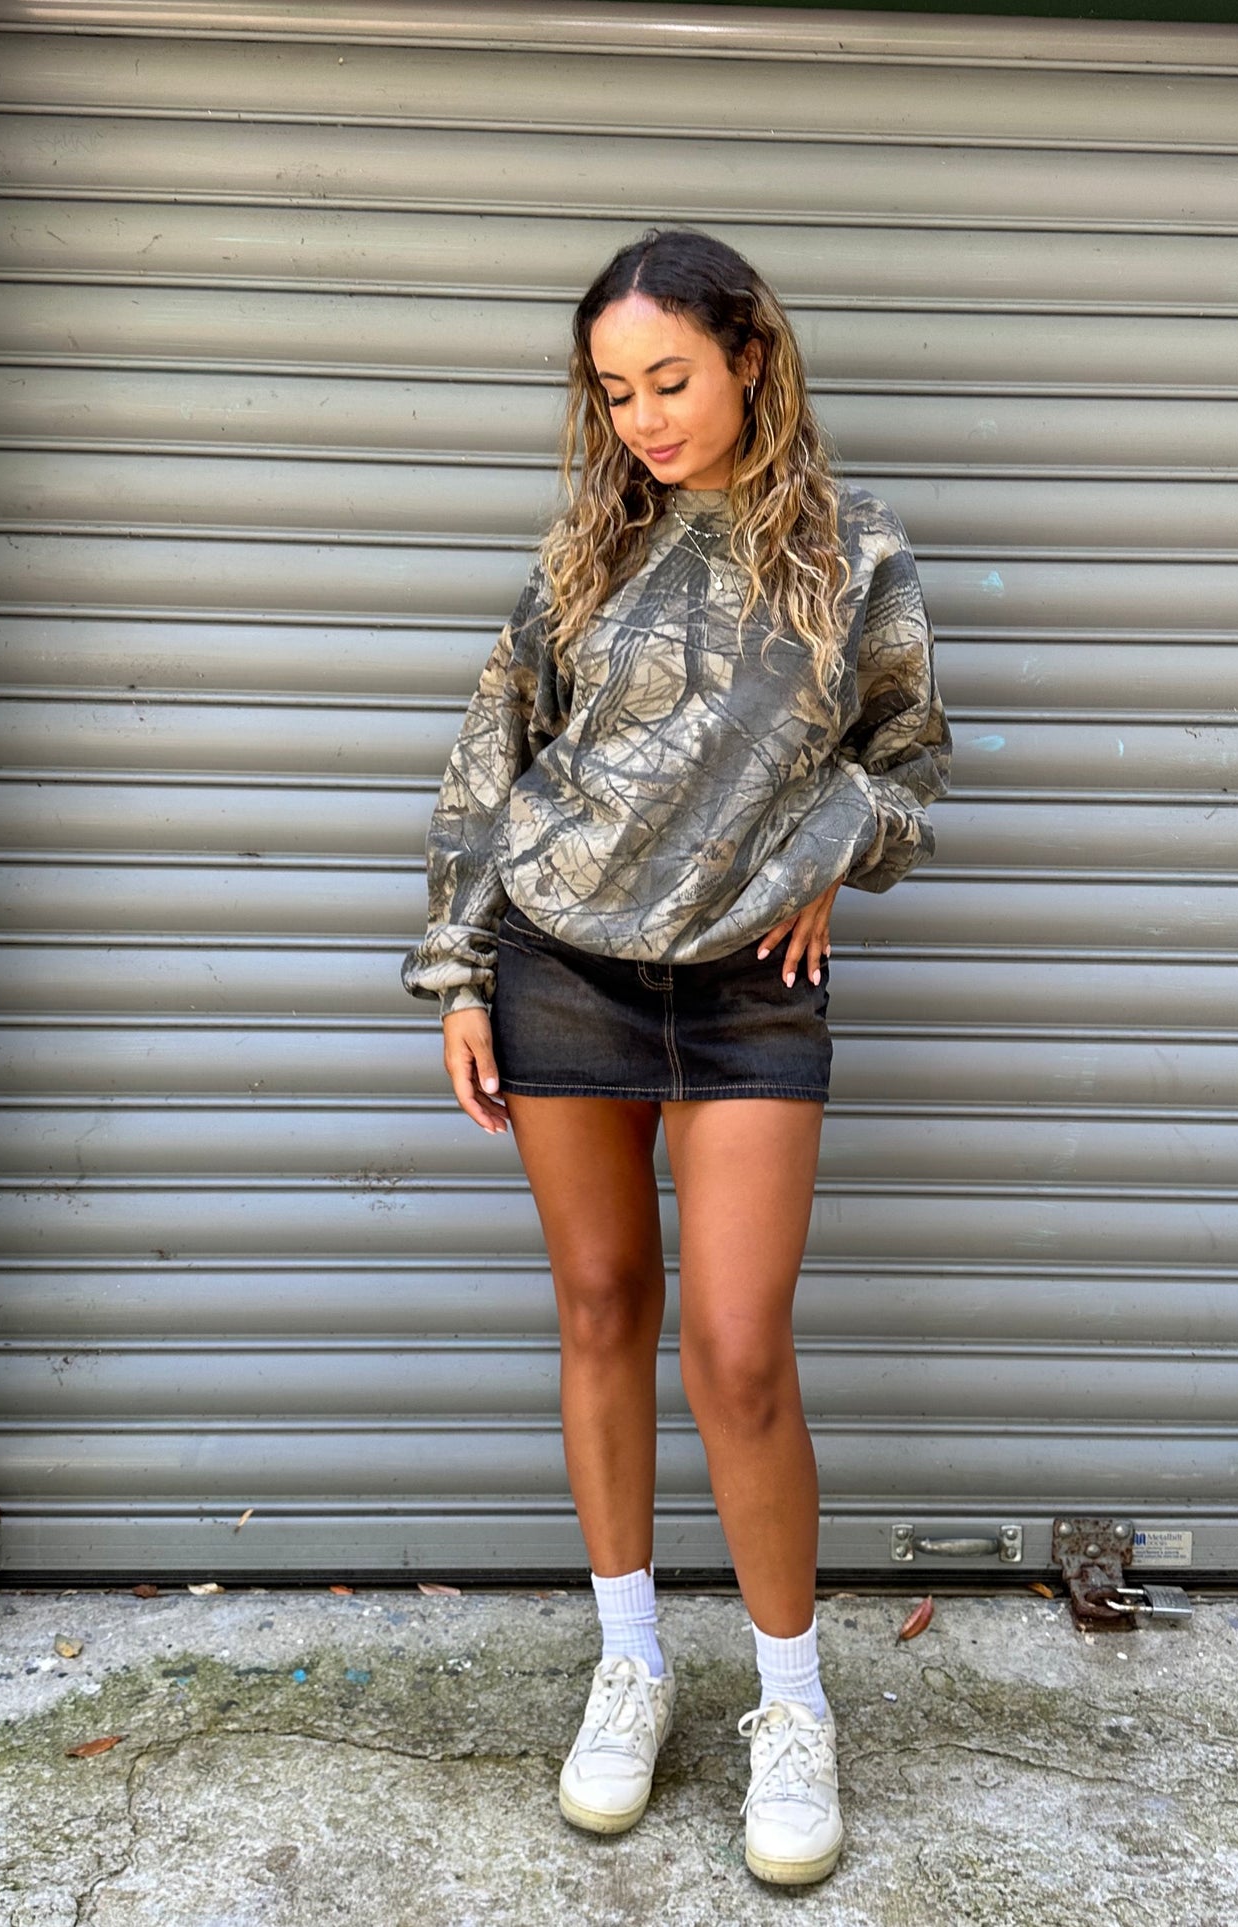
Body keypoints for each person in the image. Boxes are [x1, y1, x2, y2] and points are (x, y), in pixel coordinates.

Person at [402, 227, 951, 1886]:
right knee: (598, 1309)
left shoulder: (852, 553)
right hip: (558, 965)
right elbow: (493, 761)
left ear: (748, 360)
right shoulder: (586, 547)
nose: (643, 417)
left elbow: (907, 761)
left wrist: (834, 847)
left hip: (746, 992)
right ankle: (630, 1662)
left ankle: (792, 1703)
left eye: (670, 380)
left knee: (737, 1350)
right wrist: (459, 973)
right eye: (614, 390)